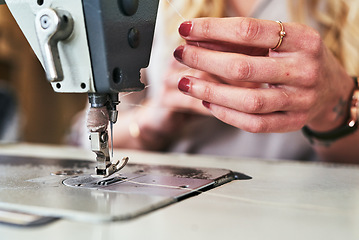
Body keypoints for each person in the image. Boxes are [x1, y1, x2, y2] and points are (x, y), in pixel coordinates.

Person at [75, 0, 359, 163]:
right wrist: (151, 123)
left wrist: (334, 103)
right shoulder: (157, 8)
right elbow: (84, 138)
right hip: (177, 212)